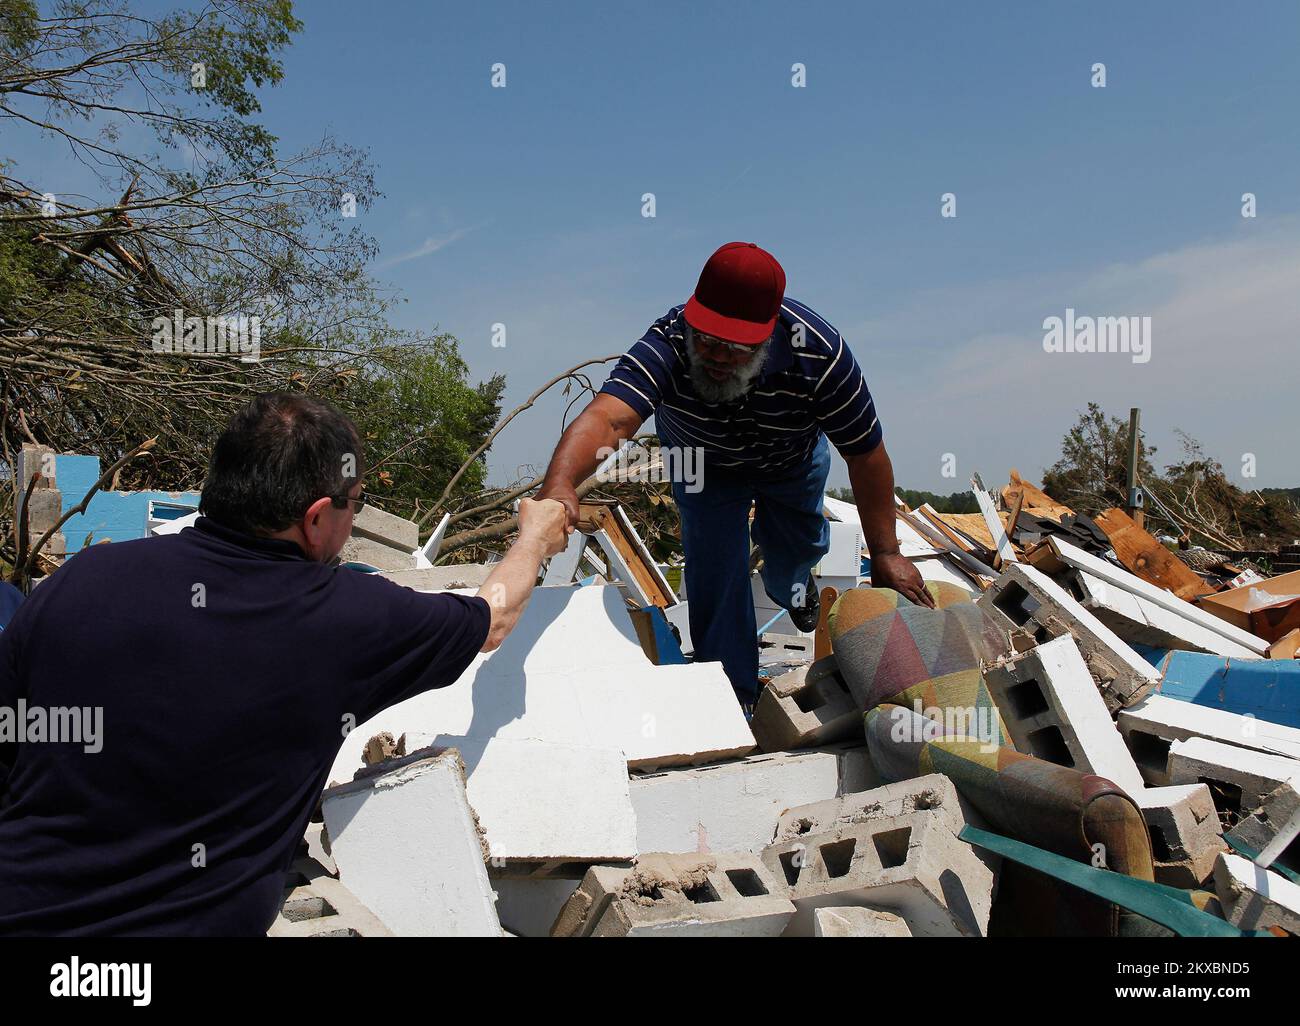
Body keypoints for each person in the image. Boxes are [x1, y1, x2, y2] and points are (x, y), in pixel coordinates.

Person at [0, 392, 568, 935]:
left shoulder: (79, 582)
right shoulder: (347, 620)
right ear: (317, 517)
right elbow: (491, 618)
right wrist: (534, 538)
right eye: (356, 503)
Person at [539, 242, 931, 704]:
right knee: (714, 570)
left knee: (797, 545)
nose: (717, 356)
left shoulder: (820, 354)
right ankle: (732, 696)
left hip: (791, 461)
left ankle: (792, 583)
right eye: (706, 340)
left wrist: (886, 551)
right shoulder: (667, 341)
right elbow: (610, 419)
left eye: (737, 348)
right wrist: (559, 484)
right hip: (703, 466)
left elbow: (866, 455)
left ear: (768, 337)